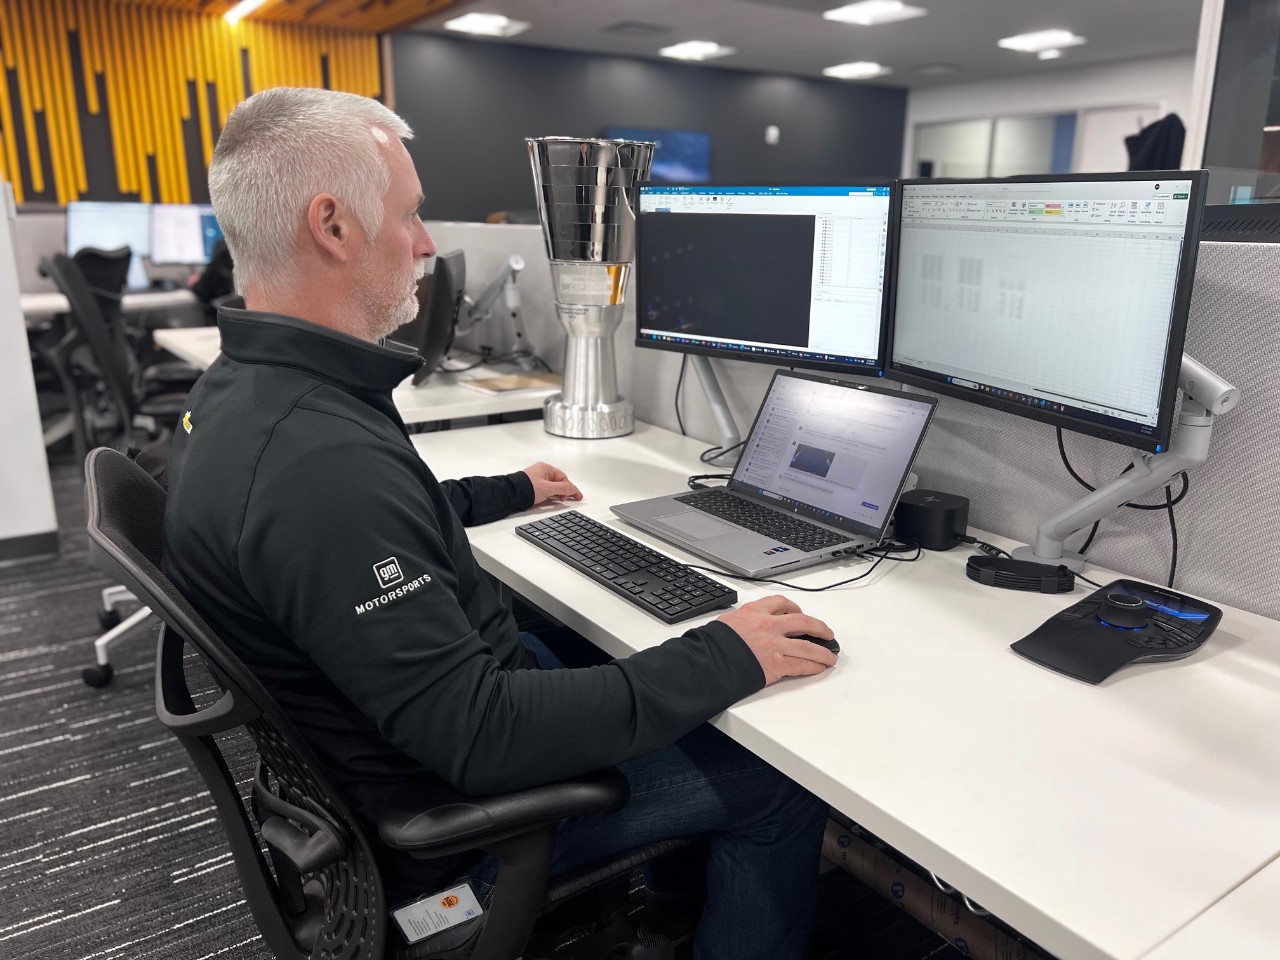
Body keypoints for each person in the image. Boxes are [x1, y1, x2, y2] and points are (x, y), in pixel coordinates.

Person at [162, 87, 838, 960]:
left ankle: (672, 917)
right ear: (331, 226)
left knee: (608, 656)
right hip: (450, 837)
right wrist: (729, 649)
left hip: (387, 749)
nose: (426, 242)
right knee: (774, 782)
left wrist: (504, 491)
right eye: (409, 213)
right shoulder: (315, 466)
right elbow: (483, 734)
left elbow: (371, 532)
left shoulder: (254, 391)